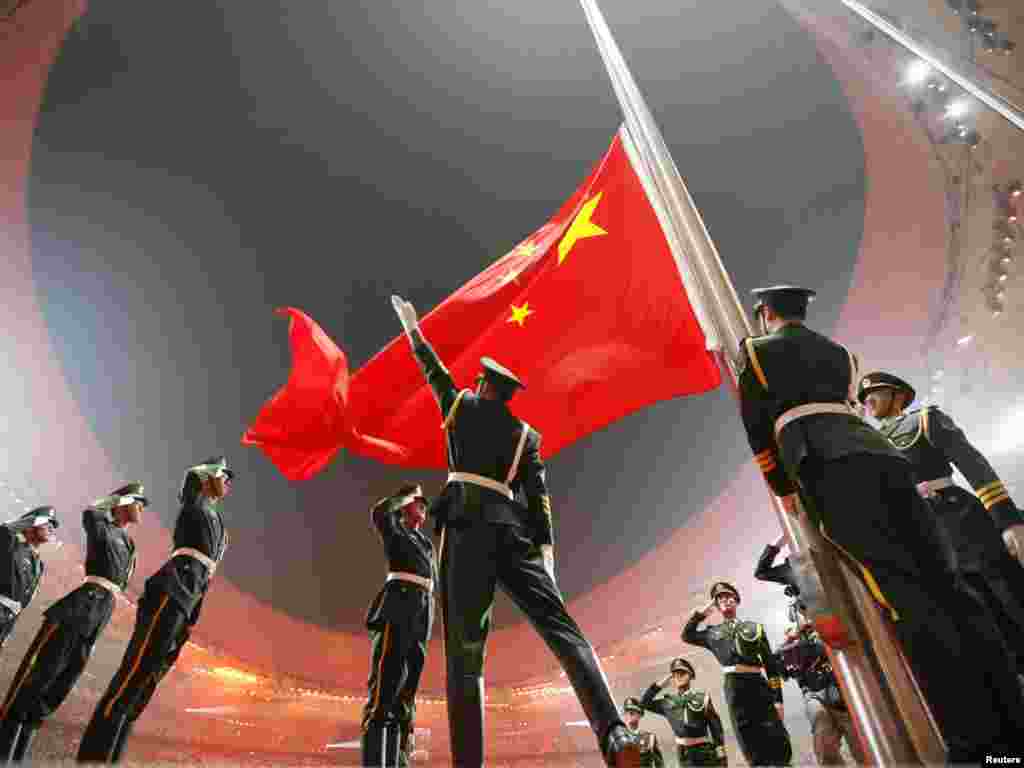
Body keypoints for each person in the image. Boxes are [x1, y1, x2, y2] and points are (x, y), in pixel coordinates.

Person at [736, 285, 1024, 760]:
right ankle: (1012, 731)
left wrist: (785, 487)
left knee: (904, 600)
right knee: (952, 591)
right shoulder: (842, 355)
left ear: (765, 313)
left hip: (830, 469)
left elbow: (756, 428)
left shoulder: (756, 350)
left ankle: (973, 744)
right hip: (884, 460)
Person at [391, 295, 640, 767]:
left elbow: (434, 374)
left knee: (466, 654)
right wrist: (546, 550)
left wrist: (414, 332)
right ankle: (613, 732)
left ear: (482, 384)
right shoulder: (528, 436)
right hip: (512, 533)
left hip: (465, 530)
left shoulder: (460, 407)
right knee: (564, 631)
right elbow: (538, 497)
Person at [858, 371, 1024, 677]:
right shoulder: (870, 442)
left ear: (897, 395)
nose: (866, 400)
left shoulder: (924, 419)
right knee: (978, 612)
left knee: (1008, 591)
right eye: (863, 398)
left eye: (874, 393)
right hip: (924, 532)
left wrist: (1008, 521)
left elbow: (974, 465)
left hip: (958, 516)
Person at [77, 458, 233, 763]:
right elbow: (190, 480)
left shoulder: (215, 518)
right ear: (206, 477)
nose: (229, 480)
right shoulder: (195, 501)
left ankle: (110, 758)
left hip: (193, 595)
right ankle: (92, 757)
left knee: (148, 680)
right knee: (135, 672)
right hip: (174, 587)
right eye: (224, 474)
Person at [0, 485, 142, 763]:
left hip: (98, 615)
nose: (142, 508)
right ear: (123, 504)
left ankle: (19, 754)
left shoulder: (128, 544)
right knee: (37, 678)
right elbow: (91, 512)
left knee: (60, 685)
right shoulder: (103, 530)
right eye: (137, 502)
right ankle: (4, 749)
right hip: (77, 610)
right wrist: (118, 498)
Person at [758, 535, 863, 765]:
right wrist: (778, 543)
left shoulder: (828, 556)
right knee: (826, 748)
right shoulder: (794, 570)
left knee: (864, 748)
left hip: (846, 688)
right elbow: (761, 572)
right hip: (816, 691)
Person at [361, 484, 435, 767]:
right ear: (405, 507)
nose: (423, 508)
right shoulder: (396, 530)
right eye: (418, 503)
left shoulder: (425, 543)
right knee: (387, 679)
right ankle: (376, 755)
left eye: (424, 505)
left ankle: (399, 756)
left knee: (410, 683)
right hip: (400, 603)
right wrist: (404, 495)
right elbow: (379, 513)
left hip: (423, 609)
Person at [682, 582, 791, 766]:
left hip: (757, 683)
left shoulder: (754, 628)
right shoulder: (711, 633)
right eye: (720, 599)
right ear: (716, 605)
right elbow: (687, 635)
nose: (725, 600)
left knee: (775, 734)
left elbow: (771, 667)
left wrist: (778, 699)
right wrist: (705, 611)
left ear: (737, 601)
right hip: (734, 687)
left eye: (729, 596)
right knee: (746, 734)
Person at [638, 659, 725, 766]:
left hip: (704, 751)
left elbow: (715, 726)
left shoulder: (702, 699)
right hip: (684, 753)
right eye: (675, 675)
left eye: (683, 673)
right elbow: (644, 703)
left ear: (690, 676)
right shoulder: (667, 703)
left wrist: (720, 751)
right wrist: (660, 685)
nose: (679, 677)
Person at [0, 508, 59, 650]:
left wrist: (6, 634)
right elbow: (4, 531)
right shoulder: (12, 544)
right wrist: (32, 520)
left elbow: (20, 603)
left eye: (53, 525)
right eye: (47, 522)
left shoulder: (39, 565)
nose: (51, 528)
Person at [622, 697, 664, 768]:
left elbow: (660, 765)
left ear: (640, 715)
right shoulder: (618, 737)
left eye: (632, 712)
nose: (629, 714)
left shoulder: (650, 738)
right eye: (627, 712)